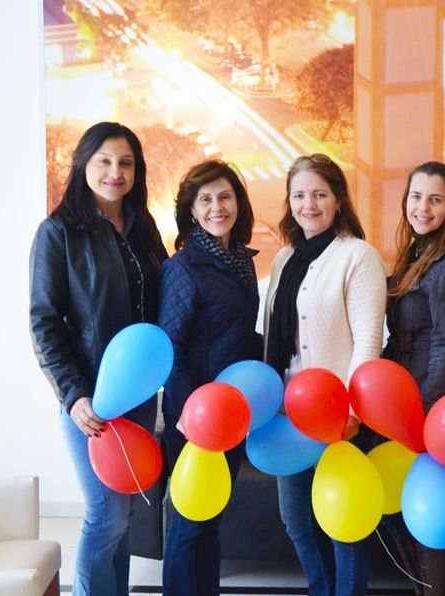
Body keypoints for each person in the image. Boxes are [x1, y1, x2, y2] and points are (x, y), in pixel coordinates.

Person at [29, 122, 167, 595]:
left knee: (124, 510)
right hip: (91, 398)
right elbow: (45, 323)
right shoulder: (57, 232)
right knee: (105, 512)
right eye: (105, 161)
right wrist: (74, 395)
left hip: (140, 396)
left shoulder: (144, 228)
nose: (115, 172)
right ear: (84, 164)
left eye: (126, 162)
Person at [264, 153, 387, 596]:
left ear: (338, 200)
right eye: (299, 195)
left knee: (343, 521)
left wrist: (351, 410)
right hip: (287, 412)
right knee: (295, 517)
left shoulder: (358, 256)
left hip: (339, 415)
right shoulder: (284, 259)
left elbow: (368, 338)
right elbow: (273, 339)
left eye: (319, 194)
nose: (308, 204)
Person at [157, 161, 262, 595]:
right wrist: (188, 413)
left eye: (225, 197)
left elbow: (238, 334)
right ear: (192, 211)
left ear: (238, 203)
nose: (217, 207)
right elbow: (170, 348)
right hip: (194, 419)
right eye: (206, 200)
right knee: (185, 528)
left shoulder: (241, 261)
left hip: (233, 413)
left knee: (212, 523)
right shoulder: (185, 267)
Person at [381, 161, 445, 596]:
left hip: (426, 394)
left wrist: (428, 419)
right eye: (416, 197)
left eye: (435, 199)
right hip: (399, 389)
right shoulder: (417, 250)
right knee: (397, 505)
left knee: (427, 509)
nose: (423, 207)